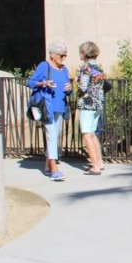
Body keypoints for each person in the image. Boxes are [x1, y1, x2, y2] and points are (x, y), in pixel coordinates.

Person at [28, 42, 73, 181]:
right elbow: (30, 82)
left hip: (60, 105)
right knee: (52, 135)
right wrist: (43, 83)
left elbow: (68, 90)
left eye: (65, 55)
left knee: (55, 135)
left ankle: (47, 165)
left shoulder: (64, 69)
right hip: (47, 106)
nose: (63, 58)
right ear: (53, 55)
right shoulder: (44, 66)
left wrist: (70, 88)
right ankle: (54, 169)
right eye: (61, 55)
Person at [76, 41, 106, 175]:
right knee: (93, 134)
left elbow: (83, 87)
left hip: (87, 104)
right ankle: (100, 162)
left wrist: (77, 77)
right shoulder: (98, 66)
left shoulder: (86, 67)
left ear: (84, 53)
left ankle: (95, 166)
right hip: (98, 102)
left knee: (87, 134)